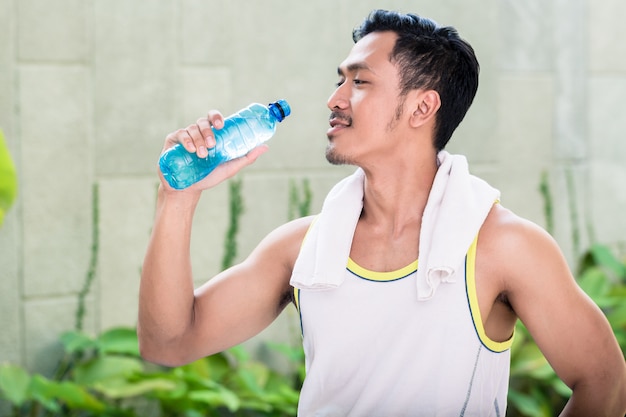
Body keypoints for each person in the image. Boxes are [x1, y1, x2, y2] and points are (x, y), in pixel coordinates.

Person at [138, 9, 626, 416]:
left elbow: (603, 381)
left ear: (421, 108)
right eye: (339, 80)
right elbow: (169, 343)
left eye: (360, 81)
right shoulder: (304, 247)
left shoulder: (502, 247)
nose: (334, 99)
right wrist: (178, 199)